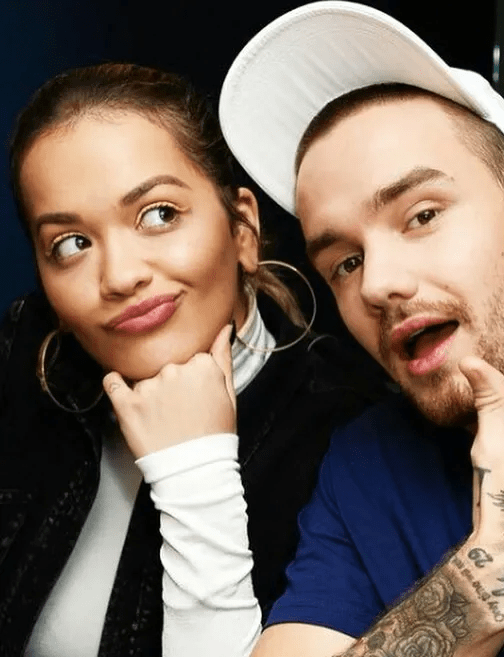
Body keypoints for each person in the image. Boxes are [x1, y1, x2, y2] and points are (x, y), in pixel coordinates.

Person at [216, 2, 504, 656]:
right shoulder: (368, 465)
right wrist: (484, 589)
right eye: (345, 261)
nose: (374, 284)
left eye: (420, 215)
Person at [0, 62, 384, 657]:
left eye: (159, 214)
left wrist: (195, 474)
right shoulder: (22, 365)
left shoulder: (352, 437)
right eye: (70, 244)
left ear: (243, 231)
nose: (122, 275)